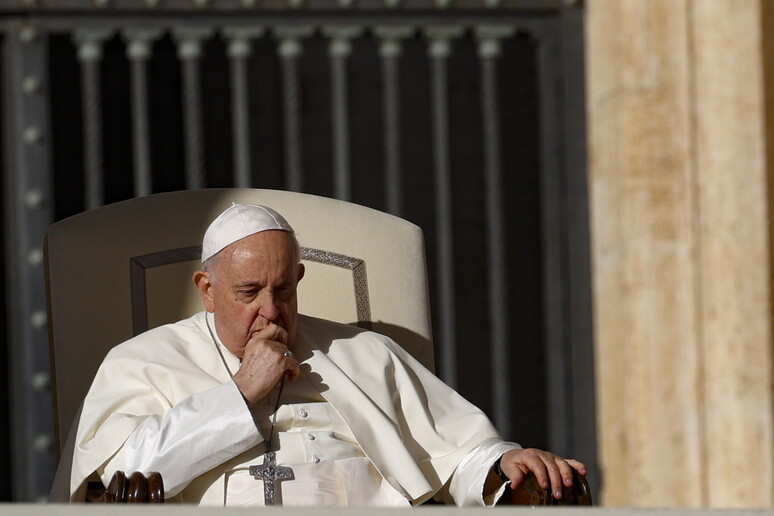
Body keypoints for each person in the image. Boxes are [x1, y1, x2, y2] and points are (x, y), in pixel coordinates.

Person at [69, 203, 586, 506]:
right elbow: (114, 486)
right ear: (206, 289)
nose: (270, 312)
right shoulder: (142, 361)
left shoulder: (365, 353)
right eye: (248, 293)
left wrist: (504, 464)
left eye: (283, 291)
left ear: (298, 279)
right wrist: (240, 395)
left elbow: (457, 454)